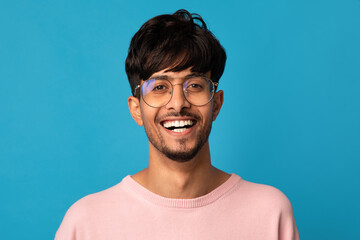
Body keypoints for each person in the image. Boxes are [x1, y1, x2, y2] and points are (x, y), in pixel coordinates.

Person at [55, 9, 299, 240]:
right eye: (159, 87)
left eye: (194, 85)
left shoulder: (270, 213)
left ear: (216, 104)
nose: (178, 103)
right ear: (136, 109)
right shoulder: (86, 224)